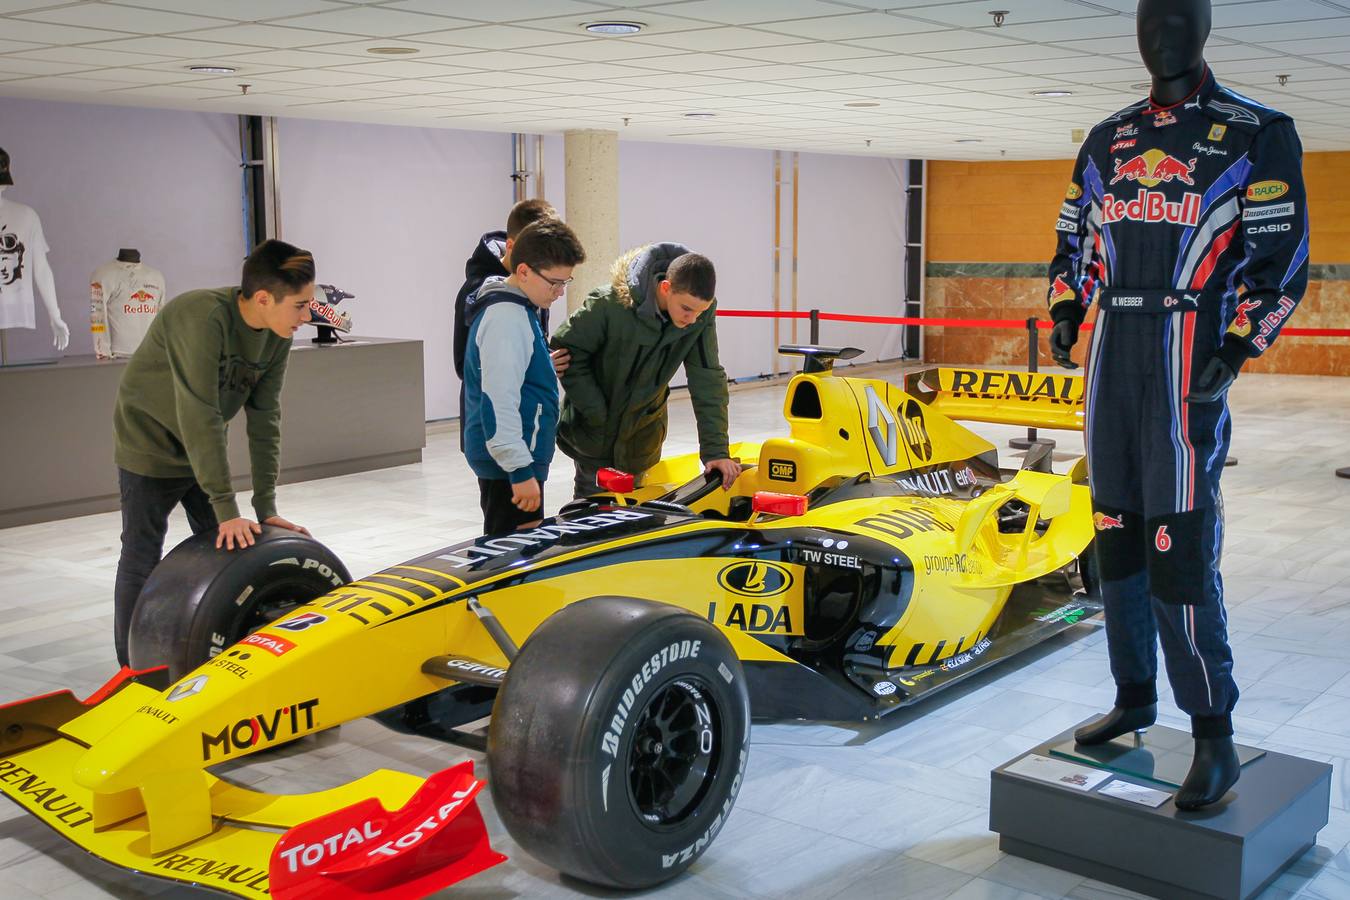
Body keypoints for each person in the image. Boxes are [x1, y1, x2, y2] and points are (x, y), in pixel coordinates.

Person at [1047, 0, 1307, 809]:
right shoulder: (1107, 136)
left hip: (1187, 358)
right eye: (1149, 19)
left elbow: (1281, 258)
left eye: (1179, 17)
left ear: (1204, 29)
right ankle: (1134, 695)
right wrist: (1066, 305)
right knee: (1115, 538)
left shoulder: (1258, 132)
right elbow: (1074, 236)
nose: (1162, 33)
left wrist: (1236, 347)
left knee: (1180, 549)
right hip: (1110, 360)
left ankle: (1213, 735)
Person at [111, 239, 316, 666]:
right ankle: (130, 669)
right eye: (299, 305)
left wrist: (265, 506)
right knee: (142, 552)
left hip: (202, 445)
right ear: (263, 298)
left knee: (230, 545)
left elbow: (265, 417)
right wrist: (226, 505)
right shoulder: (200, 317)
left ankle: (218, 645)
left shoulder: (276, 335)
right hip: (149, 443)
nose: (307, 315)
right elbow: (200, 411)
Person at [552, 243, 741, 498]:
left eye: (701, 311)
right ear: (665, 288)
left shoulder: (697, 316)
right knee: (590, 518)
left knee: (635, 520)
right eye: (686, 309)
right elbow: (569, 352)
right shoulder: (609, 304)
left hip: (641, 440)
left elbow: (706, 377)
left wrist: (716, 451)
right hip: (594, 437)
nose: (692, 319)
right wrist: (596, 411)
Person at [463, 219, 586, 534]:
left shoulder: (520, 308)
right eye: (554, 283)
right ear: (523, 272)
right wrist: (518, 470)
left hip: (517, 459)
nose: (559, 293)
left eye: (565, 282)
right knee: (511, 562)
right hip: (508, 467)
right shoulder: (506, 319)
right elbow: (498, 399)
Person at [452, 198, 567, 384]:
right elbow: (466, 368)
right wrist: (540, 365)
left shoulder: (534, 282)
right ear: (511, 246)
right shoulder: (476, 292)